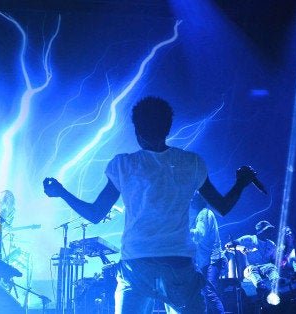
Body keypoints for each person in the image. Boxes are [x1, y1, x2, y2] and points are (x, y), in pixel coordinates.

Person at [43, 96, 259, 314]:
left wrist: (61, 191)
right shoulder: (191, 162)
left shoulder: (124, 164)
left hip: (137, 269)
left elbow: (95, 214)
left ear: (137, 132)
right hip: (178, 268)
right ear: (167, 129)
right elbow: (222, 207)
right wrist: (241, 183)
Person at [189, 194, 227, 314]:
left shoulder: (203, 213)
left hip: (212, 260)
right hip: (206, 261)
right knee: (204, 293)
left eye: (192, 200)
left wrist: (180, 231)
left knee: (208, 292)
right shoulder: (200, 215)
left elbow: (199, 234)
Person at [225, 220, 279, 294]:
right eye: (267, 230)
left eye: (270, 230)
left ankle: (275, 282)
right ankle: (260, 286)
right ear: (259, 231)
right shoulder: (248, 239)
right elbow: (228, 245)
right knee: (251, 269)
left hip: (265, 268)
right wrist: (240, 247)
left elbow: (274, 260)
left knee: (271, 267)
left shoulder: (271, 244)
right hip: (250, 268)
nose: (269, 232)